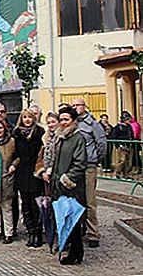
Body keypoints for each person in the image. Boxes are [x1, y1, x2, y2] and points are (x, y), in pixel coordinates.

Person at [52, 106, 87, 265]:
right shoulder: (60, 137)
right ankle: (74, 251)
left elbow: (80, 163)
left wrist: (67, 179)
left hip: (72, 185)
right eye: (61, 119)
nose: (63, 122)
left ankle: (76, 253)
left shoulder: (78, 138)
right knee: (64, 218)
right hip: (59, 184)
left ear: (73, 120)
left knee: (73, 219)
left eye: (66, 119)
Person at [71, 98, 107, 248]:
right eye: (73, 105)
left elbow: (102, 143)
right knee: (76, 200)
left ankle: (93, 234)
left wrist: (95, 159)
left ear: (84, 107)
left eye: (78, 105)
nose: (75, 107)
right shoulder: (72, 123)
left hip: (88, 166)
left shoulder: (93, 124)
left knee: (90, 201)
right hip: (74, 167)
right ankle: (79, 230)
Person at [13, 108, 45, 248]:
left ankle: (38, 233)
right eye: (25, 117)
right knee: (25, 203)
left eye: (30, 117)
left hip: (35, 172)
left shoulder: (40, 133)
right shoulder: (16, 134)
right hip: (22, 172)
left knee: (35, 204)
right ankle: (30, 231)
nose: (27, 120)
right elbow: (15, 154)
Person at [110, 112, 135, 179]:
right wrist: (118, 145)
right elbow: (114, 137)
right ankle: (117, 173)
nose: (129, 120)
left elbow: (132, 135)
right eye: (127, 119)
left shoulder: (129, 126)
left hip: (129, 145)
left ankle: (127, 174)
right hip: (121, 146)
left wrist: (132, 143)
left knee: (128, 161)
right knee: (122, 160)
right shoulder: (118, 127)